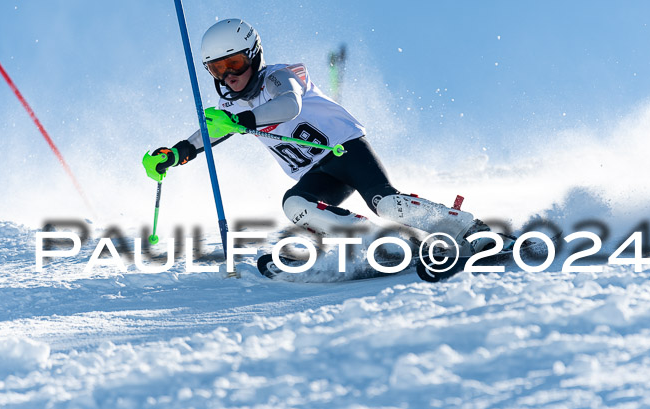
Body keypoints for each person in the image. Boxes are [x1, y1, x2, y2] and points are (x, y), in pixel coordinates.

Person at [143, 18, 491, 255]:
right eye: (218, 69)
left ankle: (469, 229)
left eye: (234, 62)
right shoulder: (229, 106)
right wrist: (175, 154)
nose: (229, 75)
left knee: (385, 202)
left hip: (345, 151)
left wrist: (242, 120)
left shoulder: (277, 77)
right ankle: (385, 244)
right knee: (295, 205)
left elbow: (288, 107)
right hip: (316, 173)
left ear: (253, 55)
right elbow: (211, 132)